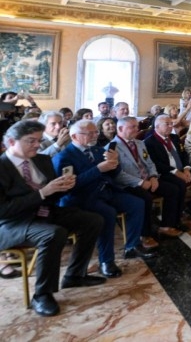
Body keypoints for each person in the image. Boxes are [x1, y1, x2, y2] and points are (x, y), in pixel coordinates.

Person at [0, 120, 105, 317]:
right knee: (53, 234)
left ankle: (74, 275)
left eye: (39, 140)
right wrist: (42, 193)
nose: (37, 145)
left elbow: (51, 196)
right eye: (31, 141)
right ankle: (42, 294)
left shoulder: (42, 160)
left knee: (93, 220)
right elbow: (3, 210)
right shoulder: (2, 167)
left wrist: (63, 187)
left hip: (44, 212)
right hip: (14, 223)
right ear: (11, 142)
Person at [53, 119, 155, 279]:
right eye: (90, 133)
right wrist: (98, 169)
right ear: (74, 136)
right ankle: (106, 261)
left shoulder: (97, 150)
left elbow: (113, 173)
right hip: (82, 197)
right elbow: (69, 186)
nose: (95, 135)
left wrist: (115, 162)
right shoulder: (64, 157)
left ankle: (132, 245)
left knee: (137, 203)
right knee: (108, 213)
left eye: (96, 132)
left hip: (105, 191)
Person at [111, 116, 183, 239]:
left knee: (172, 189)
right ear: (121, 128)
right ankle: (145, 235)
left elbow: (149, 163)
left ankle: (166, 226)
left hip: (148, 179)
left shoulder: (139, 143)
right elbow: (118, 174)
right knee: (146, 198)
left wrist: (153, 177)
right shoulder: (113, 147)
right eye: (132, 127)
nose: (137, 129)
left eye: (137, 126)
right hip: (129, 184)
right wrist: (140, 182)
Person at [144, 114, 191, 221]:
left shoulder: (174, 138)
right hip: (166, 172)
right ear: (157, 126)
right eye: (167, 124)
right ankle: (177, 217)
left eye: (171, 124)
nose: (171, 126)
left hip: (181, 169)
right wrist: (176, 172)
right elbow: (156, 163)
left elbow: (184, 154)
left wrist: (186, 169)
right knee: (180, 183)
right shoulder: (150, 142)